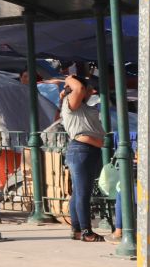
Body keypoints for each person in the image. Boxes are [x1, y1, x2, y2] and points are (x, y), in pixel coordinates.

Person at [60, 74, 106, 242]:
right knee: (83, 193)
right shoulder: (70, 102)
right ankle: (87, 231)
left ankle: (77, 229)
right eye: (87, 89)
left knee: (79, 192)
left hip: (88, 150)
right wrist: (69, 78)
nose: (90, 92)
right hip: (82, 151)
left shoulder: (82, 106)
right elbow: (77, 88)